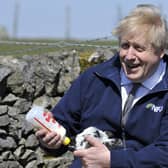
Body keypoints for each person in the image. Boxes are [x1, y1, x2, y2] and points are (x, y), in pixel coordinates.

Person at [35, 4, 168, 168]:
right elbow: (64, 124)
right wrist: (52, 141)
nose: (129, 56)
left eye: (139, 48)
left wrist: (112, 161)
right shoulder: (94, 78)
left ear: (161, 51)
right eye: (125, 46)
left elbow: (165, 153)